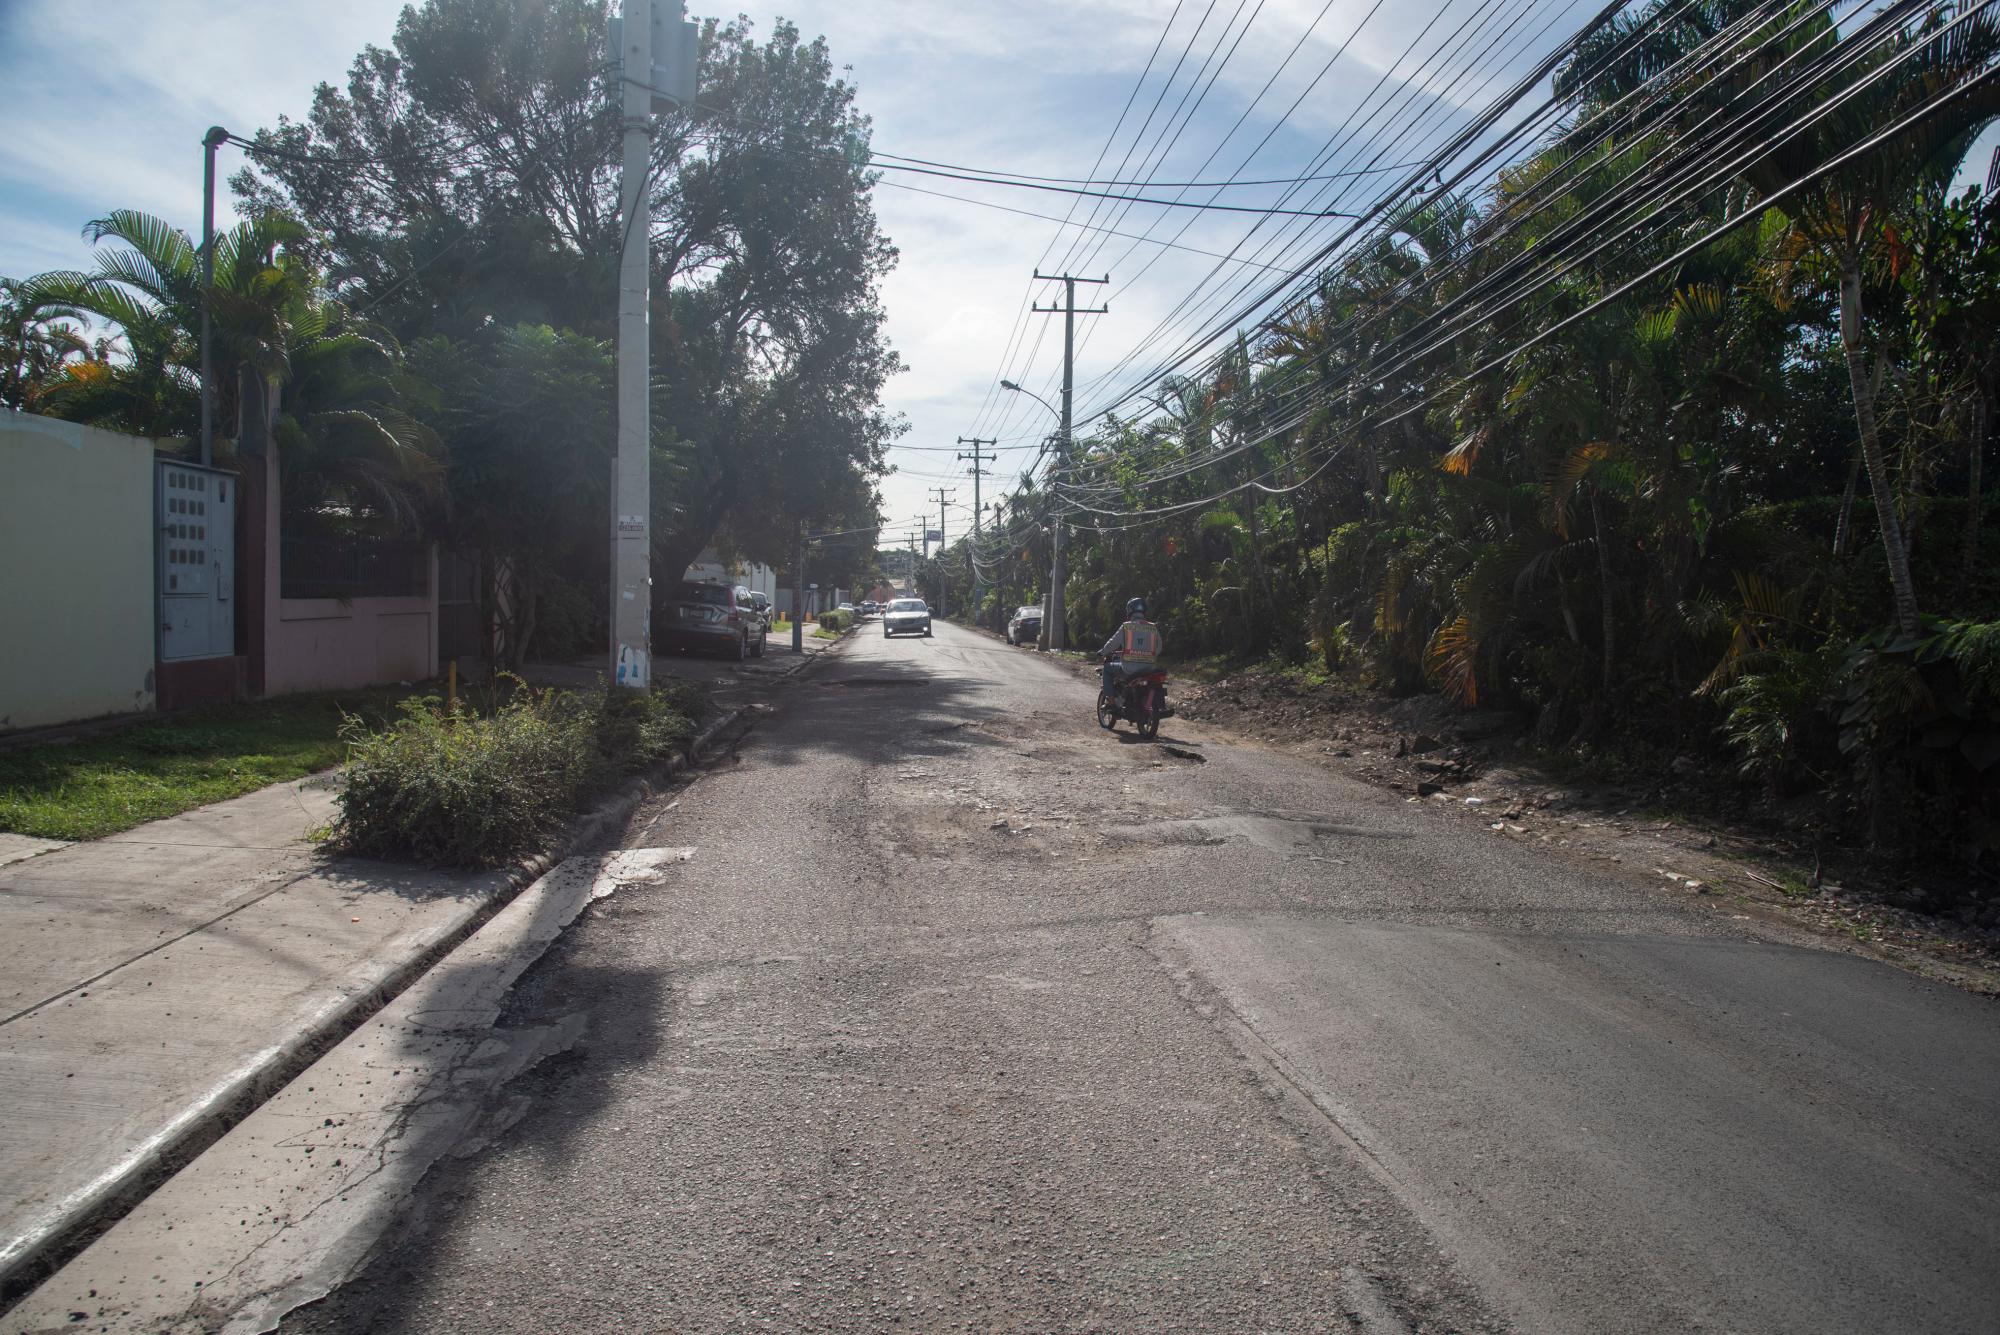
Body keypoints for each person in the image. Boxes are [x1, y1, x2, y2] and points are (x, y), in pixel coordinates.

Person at [1098, 597, 1163, 698]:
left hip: (1129, 670)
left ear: (1129, 611)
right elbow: (1159, 648)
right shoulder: (1153, 627)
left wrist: (1102, 652)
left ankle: (1110, 701)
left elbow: (1113, 643)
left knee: (1106, 668)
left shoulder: (1127, 626)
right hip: (1149, 669)